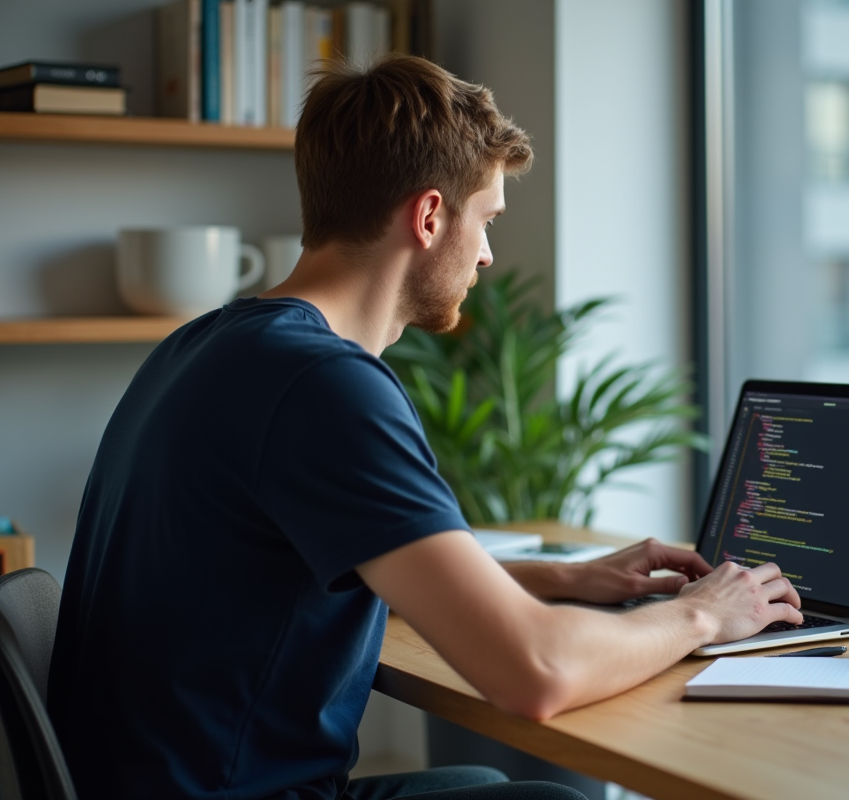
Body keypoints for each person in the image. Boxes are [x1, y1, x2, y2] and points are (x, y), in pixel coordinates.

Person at [47, 55, 804, 800]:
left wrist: (567, 578)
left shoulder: (209, 343)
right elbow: (535, 672)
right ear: (430, 214)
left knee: (483, 780)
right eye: (486, 221)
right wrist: (701, 614)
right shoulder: (324, 385)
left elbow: (356, 566)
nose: (487, 254)